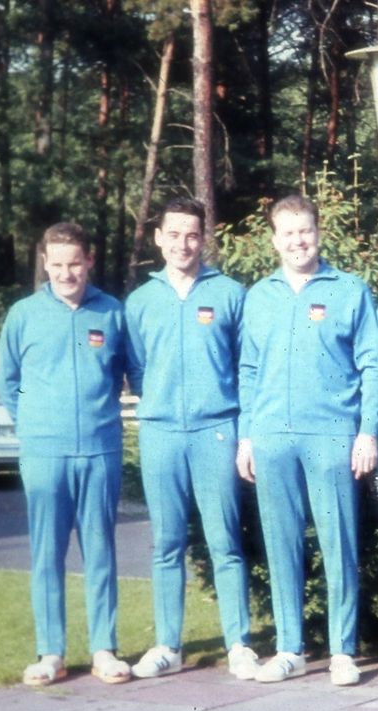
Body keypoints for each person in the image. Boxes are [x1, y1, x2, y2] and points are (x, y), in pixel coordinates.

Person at [236, 194, 378, 687]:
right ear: (274, 239)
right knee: (280, 544)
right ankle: (289, 648)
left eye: (306, 231)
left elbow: (371, 366)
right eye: (288, 233)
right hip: (272, 435)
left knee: (339, 541)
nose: (298, 241)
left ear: (319, 234)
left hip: (331, 434)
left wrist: (367, 430)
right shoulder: (259, 296)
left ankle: (342, 650)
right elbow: (249, 370)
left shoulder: (351, 291)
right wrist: (246, 437)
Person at [125, 198, 259, 681]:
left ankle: (239, 643)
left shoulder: (229, 294)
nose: (183, 244)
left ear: (205, 239)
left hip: (215, 431)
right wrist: (159, 404)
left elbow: (246, 365)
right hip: (161, 432)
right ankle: (168, 645)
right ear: (158, 238)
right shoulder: (140, 301)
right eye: (174, 234)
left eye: (192, 235)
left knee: (224, 541)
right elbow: (137, 367)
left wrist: (243, 434)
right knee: (166, 544)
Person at [0, 222, 130, 687]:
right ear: (45, 264)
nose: (66, 273)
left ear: (89, 261)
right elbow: (7, 382)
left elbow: (121, 375)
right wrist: (36, 425)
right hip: (44, 453)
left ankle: (103, 649)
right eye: (57, 265)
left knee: (100, 552)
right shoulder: (23, 314)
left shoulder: (112, 312)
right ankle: (50, 652)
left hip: (99, 450)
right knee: (47, 553)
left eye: (75, 263)